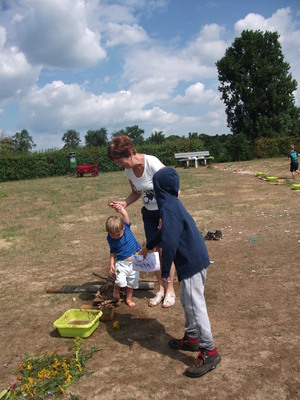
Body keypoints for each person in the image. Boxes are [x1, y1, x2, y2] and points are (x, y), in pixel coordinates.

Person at [140, 167, 221, 378]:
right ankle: (192, 338)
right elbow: (164, 233)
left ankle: (209, 350)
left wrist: (165, 271)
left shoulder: (168, 208)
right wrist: (149, 246)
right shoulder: (171, 204)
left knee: (195, 305)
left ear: (158, 189)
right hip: (192, 261)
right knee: (187, 301)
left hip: (192, 263)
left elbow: (170, 242)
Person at [108, 135, 176, 308]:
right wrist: (124, 203)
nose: (119, 165)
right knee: (152, 252)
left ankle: (170, 290)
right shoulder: (128, 171)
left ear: (130, 153)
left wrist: (165, 215)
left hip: (164, 212)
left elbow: (175, 191)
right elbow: (137, 193)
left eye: (120, 161)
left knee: (164, 251)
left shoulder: (152, 164)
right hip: (148, 214)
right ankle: (160, 289)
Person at [106, 203, 141, 308]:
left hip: (135, 262)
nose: (116, 237)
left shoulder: (126, 227)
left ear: (123, 229)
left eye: (118, 234)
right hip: (121, 264)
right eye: (112, 235)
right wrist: (111, 264)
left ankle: (128, 299)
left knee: (132, 283)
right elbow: (112, 252)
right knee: (121, 281)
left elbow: (125, 215)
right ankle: (117, 288)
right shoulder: (111, 239)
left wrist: (120, 208)